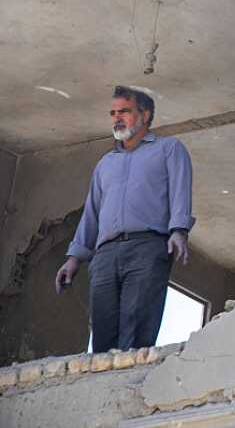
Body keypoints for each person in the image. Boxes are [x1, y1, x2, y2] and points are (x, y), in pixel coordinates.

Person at [54, 86, 194, 352]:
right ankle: (103, 388)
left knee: (136, 329)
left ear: (145, 115)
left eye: (125, 112)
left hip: (147, 247)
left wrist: (179, 230)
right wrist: (74, 258)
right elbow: (92, 213)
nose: (117, 118)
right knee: (102, 335)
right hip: (104, 255)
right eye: (114, 113)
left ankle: (127, 385)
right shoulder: (106, 163)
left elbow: (180, 191)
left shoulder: (169, 149)